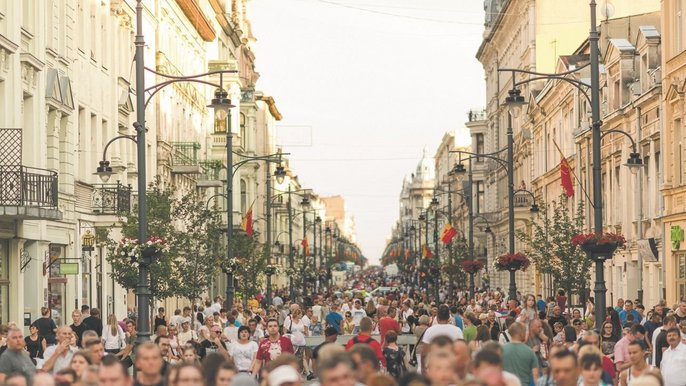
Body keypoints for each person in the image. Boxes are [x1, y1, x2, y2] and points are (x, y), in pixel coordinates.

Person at [503, 322, 539, 386]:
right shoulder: (530, 352)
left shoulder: (501, 350)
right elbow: (535, 376)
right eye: (525, 331)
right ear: (521, 333)